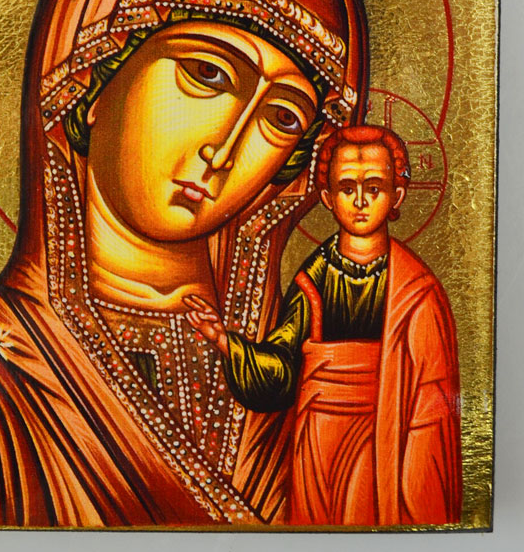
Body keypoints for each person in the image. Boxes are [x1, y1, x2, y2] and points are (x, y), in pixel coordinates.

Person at [0, 0, 369, 527]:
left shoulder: (312, 382)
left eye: (282, 117)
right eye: (207, 75)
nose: (225, 149)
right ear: (93, 79)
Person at [185, 125, 462, 526]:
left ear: (397, 196)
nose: (360, 201)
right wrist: (226, 342)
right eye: (347, 188)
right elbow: (283, 366)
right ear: (329, 198)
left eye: (374, 187)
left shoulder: (418, 291)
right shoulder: (311, 281)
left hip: (389, 439)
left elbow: (434, 403)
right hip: (318, 444)